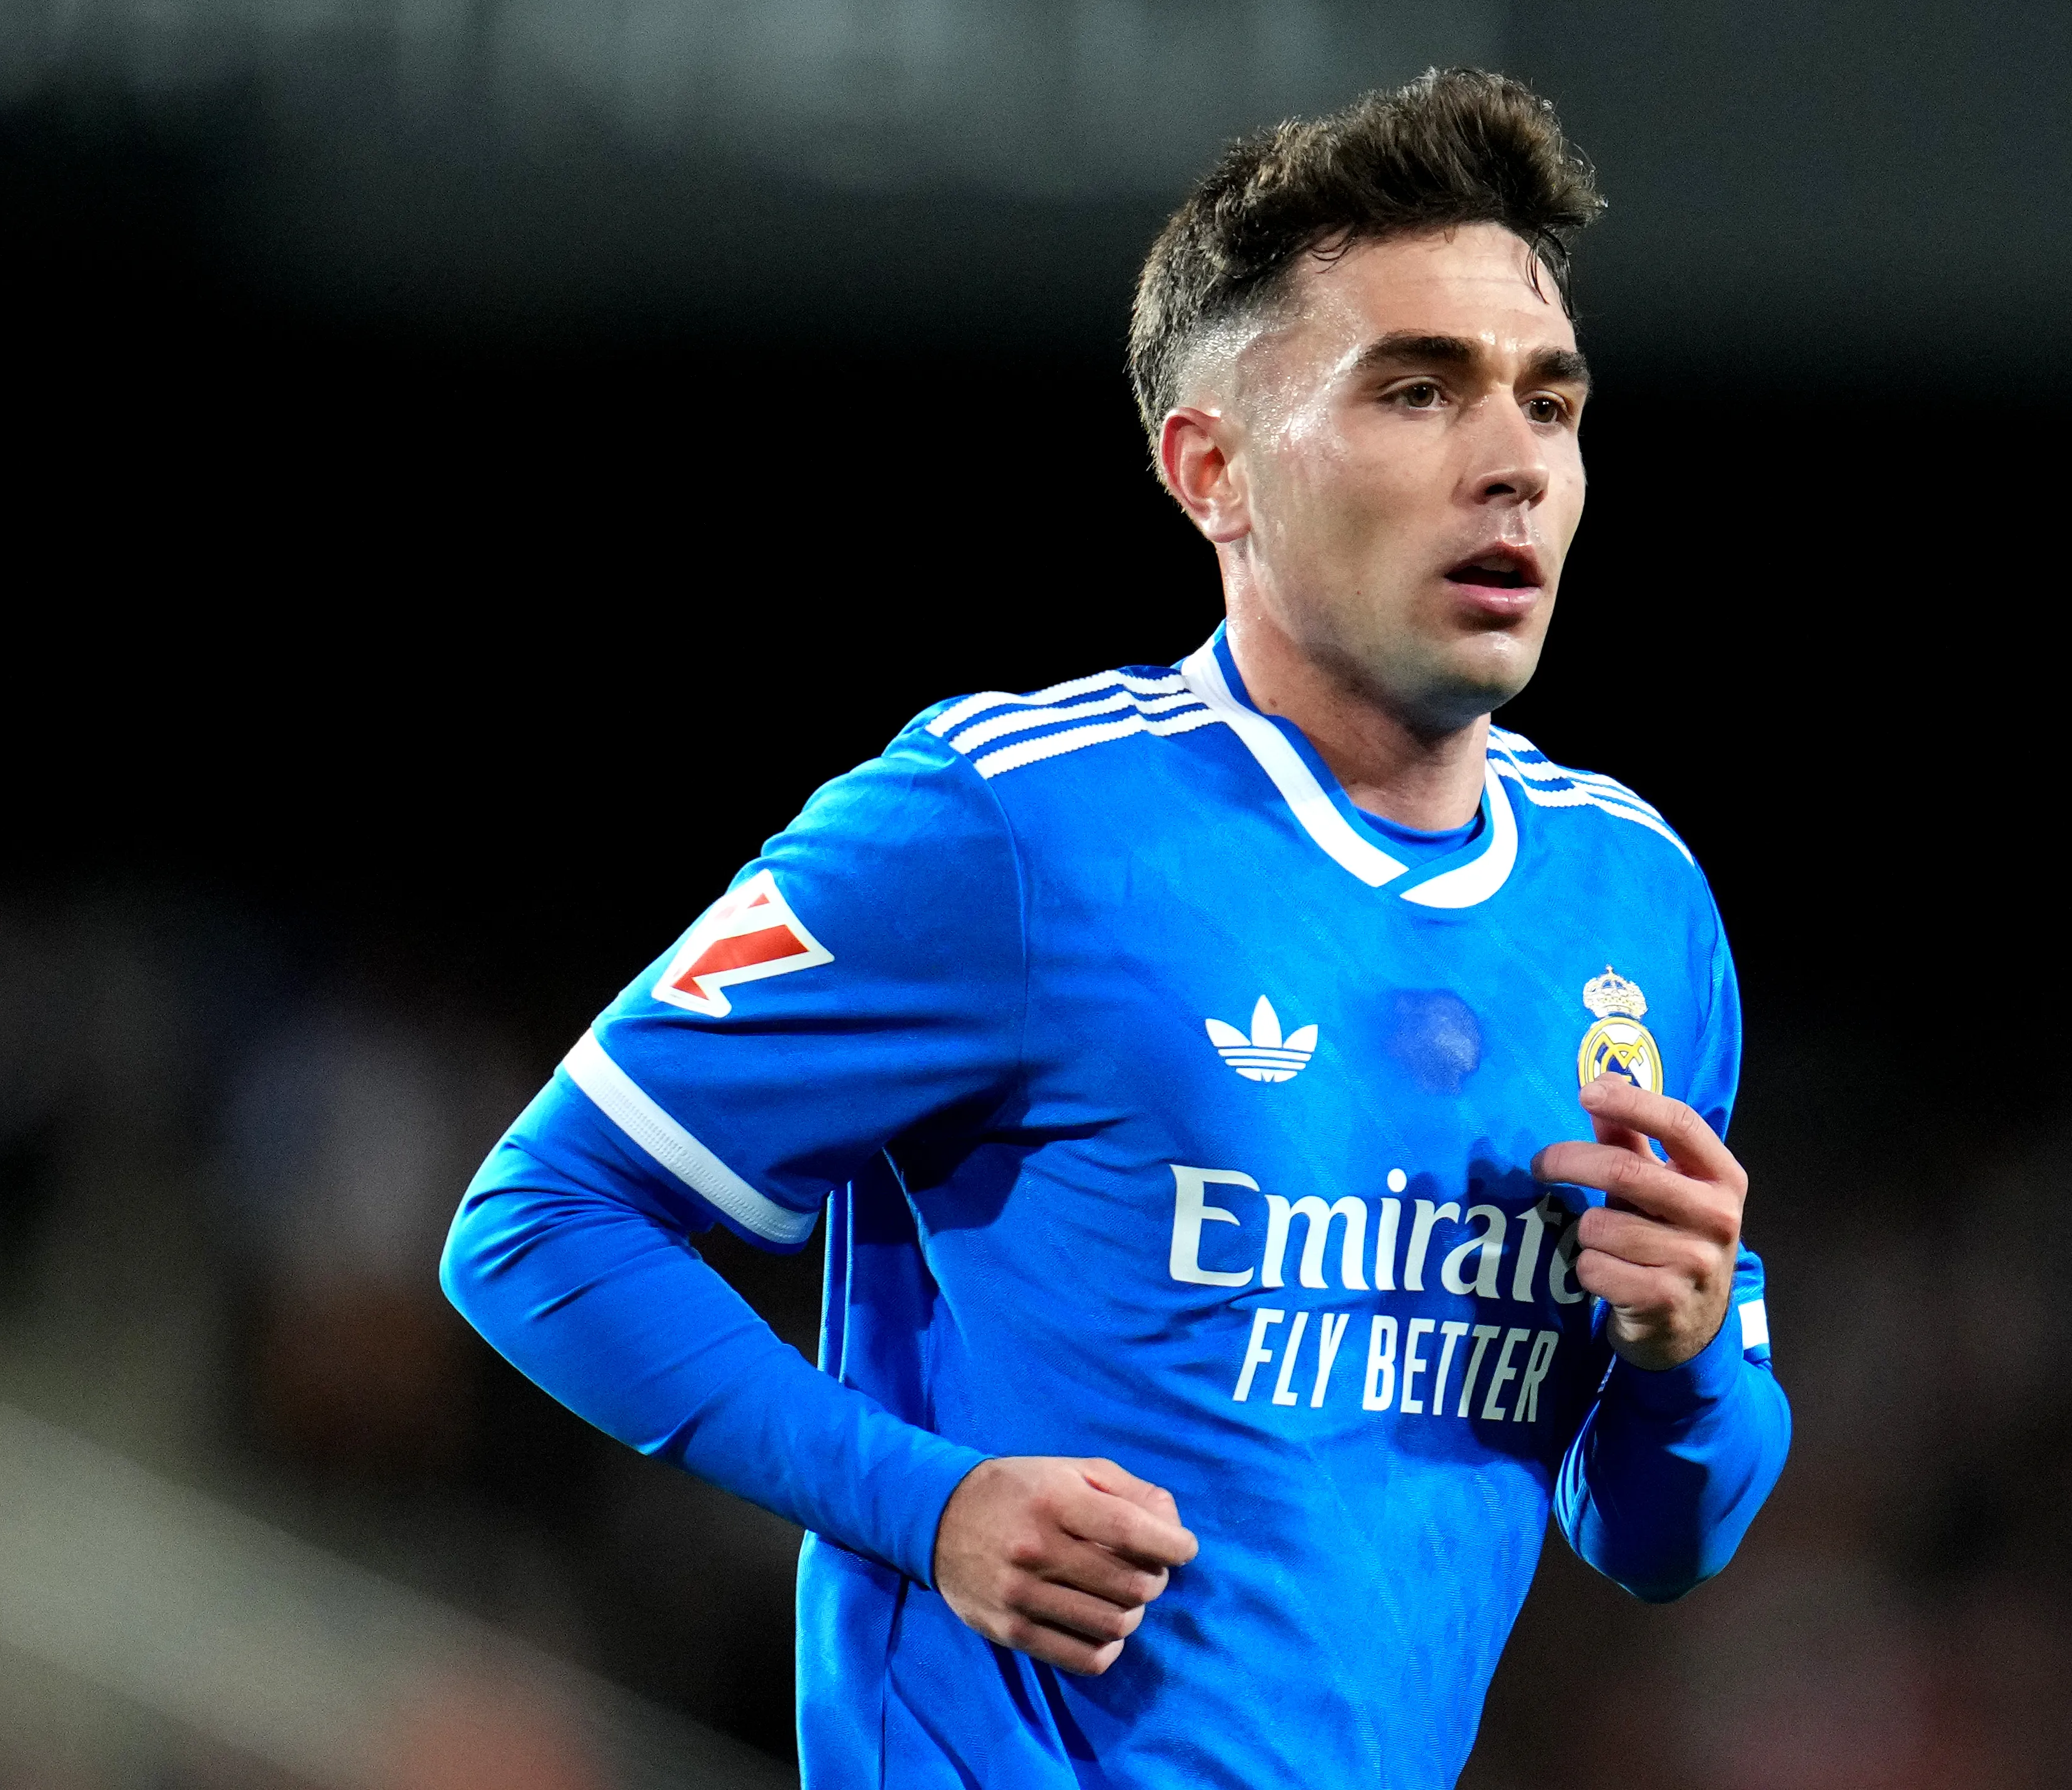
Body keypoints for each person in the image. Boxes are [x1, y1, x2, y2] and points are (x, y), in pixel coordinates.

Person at [442, 67, 1789, 1789]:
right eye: (1419, 391)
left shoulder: (1638, 906)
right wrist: (925, 1507)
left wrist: (1680, 1361)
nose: (1512, 463)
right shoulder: (1013, 824)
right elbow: (538, 1223)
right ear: (1210, 469)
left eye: (1549, 401)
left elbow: (1661, 1532)